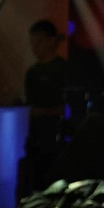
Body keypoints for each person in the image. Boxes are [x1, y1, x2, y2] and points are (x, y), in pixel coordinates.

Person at [22, 18, 71, 191]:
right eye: (32, 42)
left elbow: (68, 107)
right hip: (36, 140)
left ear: (51, 41)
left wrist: (43, 112)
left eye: (39, 42)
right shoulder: (32, 73)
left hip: (56, 141)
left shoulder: (64, 70)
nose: (35, 47)